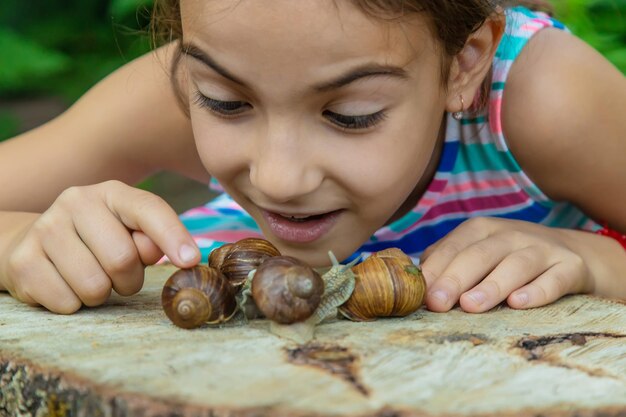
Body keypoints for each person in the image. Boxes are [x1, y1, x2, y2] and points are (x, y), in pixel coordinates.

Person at [0, 0, 624, 316]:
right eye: (224, 103)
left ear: (464, 63)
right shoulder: (177, 84)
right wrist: (25, 239)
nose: (279, 178)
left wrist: (598, 263)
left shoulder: (541, 99)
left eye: (350, 115)